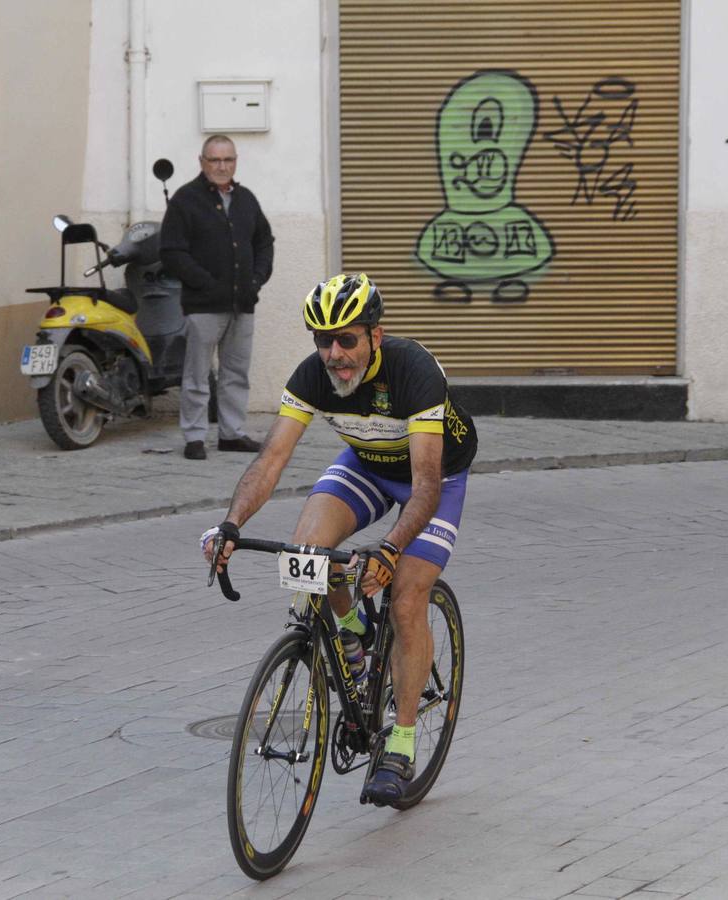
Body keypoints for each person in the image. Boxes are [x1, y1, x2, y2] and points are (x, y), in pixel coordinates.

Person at [201, 273, 477, 806]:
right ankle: (350, 635)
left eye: (346, 339)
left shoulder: (414, 371)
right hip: (369, 462)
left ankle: (399, 742)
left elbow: (423, 486)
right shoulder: (312, 376)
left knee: (406, 596)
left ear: (375, 336)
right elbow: (271, 459)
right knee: (310, 553)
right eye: (323, 340)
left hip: (433, 474)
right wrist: (232, 524)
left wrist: (391, 550)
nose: (334, 354)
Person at [160, 134, 274, 460]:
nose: (222, 166)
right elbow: (172, 252)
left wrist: (257, 279)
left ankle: (231, 434)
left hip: (243, 303)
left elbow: (264, 241)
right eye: (215, 160)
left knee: (235, 373)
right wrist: (205, 284)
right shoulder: (185, 200)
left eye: (228, 160)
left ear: (235, 162)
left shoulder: (246, 199)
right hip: (203, 305)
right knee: (197, 374)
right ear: (202, 162)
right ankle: (195, 437)